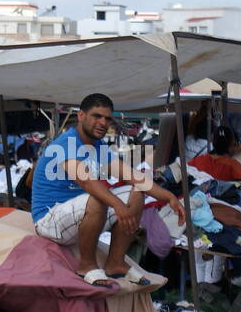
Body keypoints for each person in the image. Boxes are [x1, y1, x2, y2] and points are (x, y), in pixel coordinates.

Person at [31, 93, 186, 286]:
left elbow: (132, 175)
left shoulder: (98, 146)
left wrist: (169, 196)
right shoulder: (66, 143)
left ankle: (115, 263)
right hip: (49, 220)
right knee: (97, 197)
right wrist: (118, 206)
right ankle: (86, 266)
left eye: (107, 118)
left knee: (137, 191)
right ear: (81, 116)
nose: (103, 122)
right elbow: (88, 182)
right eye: (97, 116)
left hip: (78, 217)